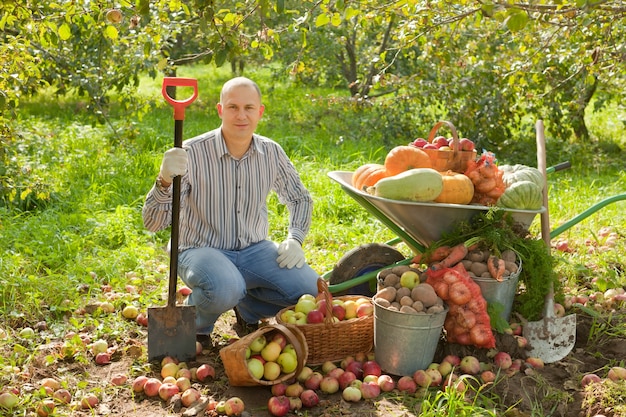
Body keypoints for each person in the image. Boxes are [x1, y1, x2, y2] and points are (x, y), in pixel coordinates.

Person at [142, 77, 319, 345]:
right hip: (199, 248)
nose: (241, 115)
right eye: (233, 107)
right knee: (226, 287)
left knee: (310, 291)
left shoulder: (271, 152)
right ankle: (195, 326)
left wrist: (295, 238)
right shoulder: (191, 152)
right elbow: (152, 223)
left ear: (260, 112)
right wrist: (164, 180)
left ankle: (249, 308)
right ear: (220, 110)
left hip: (254, 250)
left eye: (249, 108)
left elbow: (300, 198)